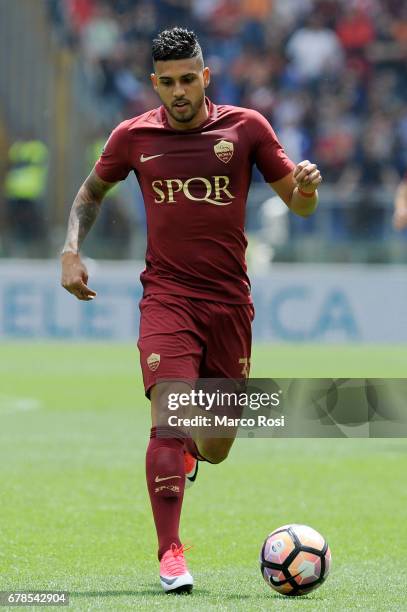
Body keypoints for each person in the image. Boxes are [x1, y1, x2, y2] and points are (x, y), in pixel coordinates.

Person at [60, 27, 322, 594]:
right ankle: (171, 554)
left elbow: (298, 207)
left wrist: (306, 187)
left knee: (217, 444)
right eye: (168, 82)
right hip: (167, 298)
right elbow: (90, 194)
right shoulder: (133, 136)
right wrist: (71, 249)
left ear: (205, 77)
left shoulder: (246, 128)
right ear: (155, 83)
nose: (178, 92)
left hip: (230, 304)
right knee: (170, 418)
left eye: (188, 80)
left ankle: (189, 456)